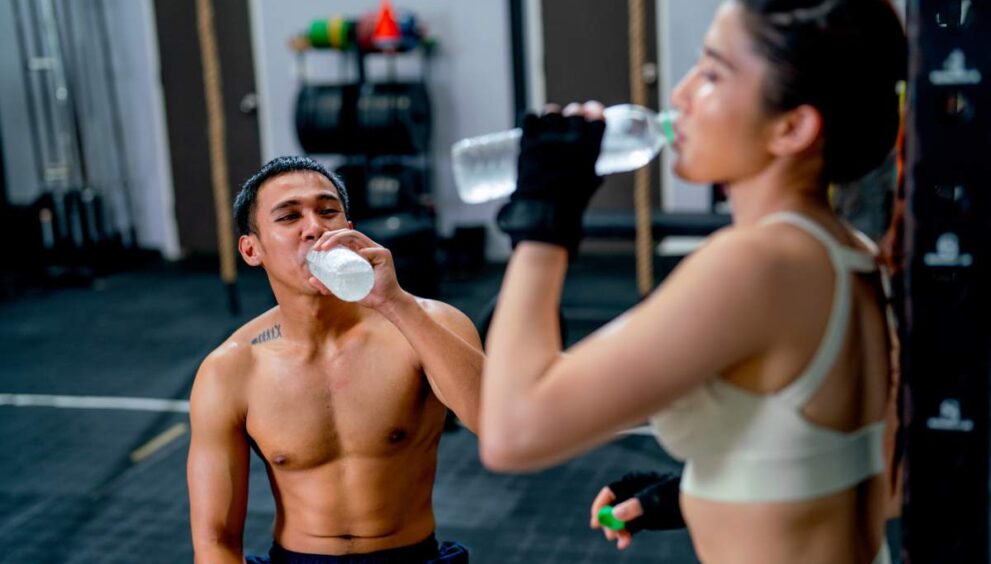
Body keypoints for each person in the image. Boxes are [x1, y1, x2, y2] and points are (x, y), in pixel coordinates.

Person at [478, 0, 905, 562]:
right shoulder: (852, 254)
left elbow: (513, 431)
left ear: (792, 126)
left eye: (711, 74)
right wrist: (706, 491)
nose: (679, 96)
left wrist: (542, 219)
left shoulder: (756, 263)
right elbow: (883, 483)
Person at [187, 156, 482, 563]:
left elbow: (497, 423)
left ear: (348, 228)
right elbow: (215, 539)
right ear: (252, 249)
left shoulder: (429, 324)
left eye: (328, 212)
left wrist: (395, 303)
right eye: (290, 217)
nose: (315, 227)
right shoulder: (231, 370)